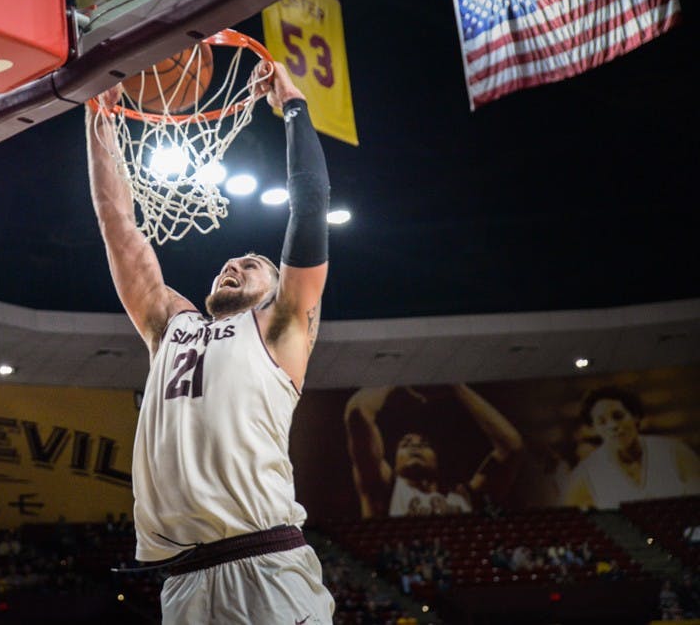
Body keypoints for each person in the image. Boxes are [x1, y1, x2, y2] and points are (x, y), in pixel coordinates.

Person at [87, 60, 334, 623]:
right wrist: (98, 111)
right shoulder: (170, 325)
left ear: (276, 289)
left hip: (268, 566)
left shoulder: (281, 328)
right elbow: (117, 222)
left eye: (253, 264)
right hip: (183, 581)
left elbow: (312, 204)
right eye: (231, 260)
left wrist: (293, 108)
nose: (235, 263)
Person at [344, 384, 523, 517]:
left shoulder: (465, 495)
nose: (414, 446)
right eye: (405, 444)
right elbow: (357, 413)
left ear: (437, 459)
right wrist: (396, 383)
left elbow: (512, 446)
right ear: (394, 461)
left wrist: (456, 386)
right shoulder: (382, 490)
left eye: (424, 444)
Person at [563, 386, 700, 509]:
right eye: (602, 422)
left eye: (618, 416)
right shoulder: (585, 474)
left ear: (635, 416)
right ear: (594, 429)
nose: (613, 426)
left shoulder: (674, 452)